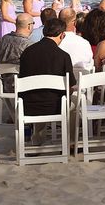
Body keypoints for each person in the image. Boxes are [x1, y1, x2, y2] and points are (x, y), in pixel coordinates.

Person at [18, 18, 76, 146]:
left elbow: (22, 79)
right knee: (74, 108)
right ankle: (70, 142)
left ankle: (37, 138)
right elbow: (70, 86)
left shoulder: (27, 52)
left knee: (41, 95)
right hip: (55, 107)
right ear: (62, 35)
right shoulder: (63, 56)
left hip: (28, 106)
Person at [0, 13, 34, 92]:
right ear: (29, 26)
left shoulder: (4, 39)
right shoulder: (28, 44)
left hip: (4, 82)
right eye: (33, 23)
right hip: (22, 84)